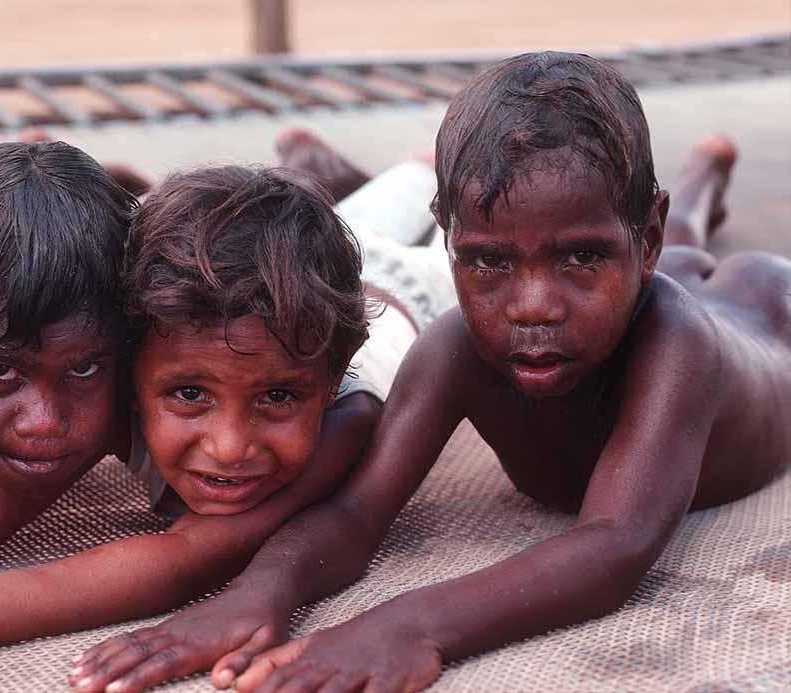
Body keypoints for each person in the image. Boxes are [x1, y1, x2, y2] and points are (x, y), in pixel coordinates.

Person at [66, 51, 791, 693]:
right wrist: (262, 591)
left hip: (768, 316)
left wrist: (413, 624)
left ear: (644, 238)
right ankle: (700, 180)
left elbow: (613, 542)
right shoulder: (455, 348)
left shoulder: (678, 346)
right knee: (684, 261)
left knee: (713, 276)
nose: (533, 305)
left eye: (581, 257)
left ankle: (697, 180)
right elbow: (354, 512)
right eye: (488, 261)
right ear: (447, 239)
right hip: (682, 278)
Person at [0, 146, 456, 692]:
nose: (229, 445)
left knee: (411, 211)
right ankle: (343, 171)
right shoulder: (110, 375)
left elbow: (182, 554)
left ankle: (412, 166)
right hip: (282, 300)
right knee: (356, 211)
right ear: (136, 359)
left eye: (275, 400)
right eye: (188, 395)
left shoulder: (339, 414)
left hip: (403, 290)